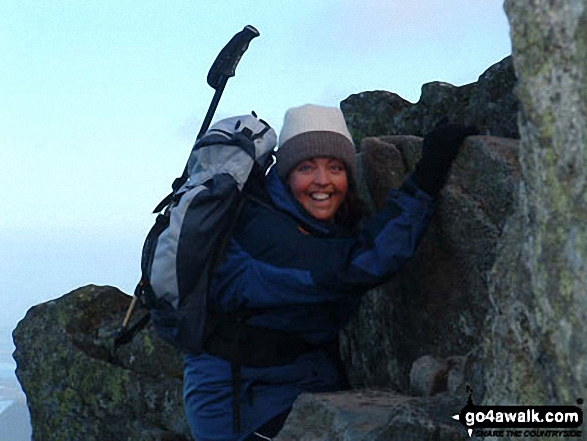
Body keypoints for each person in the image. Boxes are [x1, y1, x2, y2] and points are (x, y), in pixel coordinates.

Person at [182, 104, 476, 440]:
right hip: (242, 407)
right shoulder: (262, 233)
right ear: (285, 174)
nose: (323, 181)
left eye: (335, 167)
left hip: (293, 382)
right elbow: (354, 266)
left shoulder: (312, 222)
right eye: (306, 167)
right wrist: (426, 178)